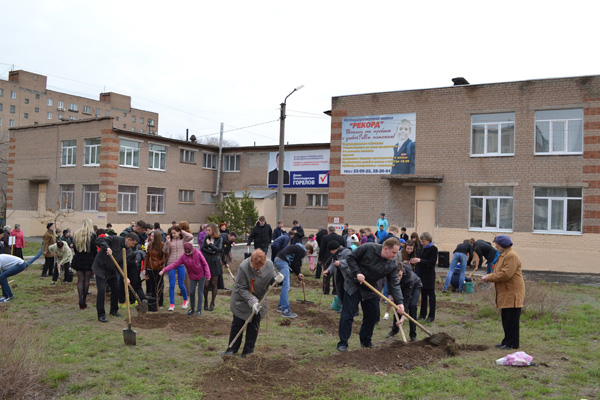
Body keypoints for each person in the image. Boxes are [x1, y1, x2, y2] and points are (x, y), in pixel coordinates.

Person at [337, 238, 405, 352]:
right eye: (393, 252)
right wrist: (358, 272)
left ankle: (366, 341)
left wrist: (400, 302)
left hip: (370, 286)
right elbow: (350, 258)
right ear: (386, 248)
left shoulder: (392, 264)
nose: (395, 255)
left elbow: (394, 284)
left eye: (396, 253)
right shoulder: (368, 248)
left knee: (372, 315)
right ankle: (343, 343)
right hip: (354, 283)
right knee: (348, 314)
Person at [221, 250, 283, 357]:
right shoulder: (244, 267)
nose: (256, 270)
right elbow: (241, 287)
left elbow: (272, 282)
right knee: (238, 324)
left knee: (254, 325)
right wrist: (252, 301)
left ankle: (248, 352)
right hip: (242, 299)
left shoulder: (269, 265)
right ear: (251, 261)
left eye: (259, 268)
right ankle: (232, 349)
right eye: (254, 268)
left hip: (260, 300)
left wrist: (278, 281)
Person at [482, 235, 525, 350]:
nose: (495, 246)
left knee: (512, 320)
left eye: (497, 244)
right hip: (506, 291)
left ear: (502, 245)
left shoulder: (511, 255)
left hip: (512, 292)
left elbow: (506, 274)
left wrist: (489, 277)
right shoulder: (503, 255)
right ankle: (506, 341)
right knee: (506, 318)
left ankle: (512, 343)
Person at [93, 232, 139, 322]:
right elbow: (99, 240)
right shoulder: (115, 239)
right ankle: (101, 314)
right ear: (128, 239)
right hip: (101, 267)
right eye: (133, 243)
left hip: (111, 270)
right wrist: (107, 247)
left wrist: (125, 277)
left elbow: (121, 265)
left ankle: (114, 310)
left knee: (116, 289)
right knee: (102, 290)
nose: (133, 246)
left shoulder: (128, 251)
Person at [161, 242, 210, 317]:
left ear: (192, 249)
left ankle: (199, 310)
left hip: (201, 275)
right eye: (186, 252)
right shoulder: (183, 257)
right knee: (191, 292)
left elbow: (205, 264)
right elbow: (174, 264)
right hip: (192, 276)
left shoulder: (198, 253)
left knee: (200, 292)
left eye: (189, 252)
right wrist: (164, 270)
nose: (188, 254)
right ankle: (192, 309)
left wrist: (208, 274)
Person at [386, 262, 422, 341]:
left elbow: (406, 299)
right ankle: (394, 330)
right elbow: (390, 285)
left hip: (415, 286)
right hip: (400, 287)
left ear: (402, 270)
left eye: (399, 275)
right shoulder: (390, 273)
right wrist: (390, 294)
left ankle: (413, 335)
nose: (398, 278)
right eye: (396, 276)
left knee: (412, 306)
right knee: (398, 306)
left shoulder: (409, 278)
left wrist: (403, 317)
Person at [273, 243, 310, 318]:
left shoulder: (297, 248)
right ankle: (285, 310)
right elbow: (295, 264)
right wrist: (298, 274)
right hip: (282, 262)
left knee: (285, 286)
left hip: (278, 259)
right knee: (286, 286)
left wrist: (299, 278)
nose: (306, 255)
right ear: (308, 251)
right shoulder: (302, 251)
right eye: (308, 254)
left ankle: (280, 306)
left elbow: (295, 265)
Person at [163, 226, 192, 311]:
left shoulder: (183, 239)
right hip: (171, 264)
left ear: (179, 232)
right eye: (172, 233)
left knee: (181, 284)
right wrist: (167, 242)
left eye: (174, 232)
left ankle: (185, 300)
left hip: (181, 264)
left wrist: (182, 231)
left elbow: (191, 236)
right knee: (171, 285)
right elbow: (165, 251)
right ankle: (172, 304)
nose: (173, 234)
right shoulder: (169, 240)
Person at [72, 219, 97, 309]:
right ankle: (84, 299)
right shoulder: (93, 235)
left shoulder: (76, 234)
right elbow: (94, 249)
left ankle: (80, 299)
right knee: (87, 281)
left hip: (79, 258)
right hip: (89, 259)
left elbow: (74, 248)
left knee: (80, 280)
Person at [413, 232, 438, 323]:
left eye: (423, 241)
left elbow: (432, 262)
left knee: (431, 296)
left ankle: (431, 315)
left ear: (428, 240)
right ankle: (422, 314)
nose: (422, 243)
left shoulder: (433, 249)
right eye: (421, 241)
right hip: (422, 274)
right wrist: (417, 262)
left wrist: (421, 260)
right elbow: (422, 261)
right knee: (423, 295)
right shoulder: (423, 248)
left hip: (429, 275)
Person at [201, 222, 223, 311]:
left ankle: (212, 302)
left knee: (214, 283)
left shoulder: (220, 238)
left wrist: (210, 245)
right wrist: (212, 251)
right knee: (206, 284)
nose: (207, 232)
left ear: (213, 230)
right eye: (206, 230)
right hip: (207, 262)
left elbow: (219, 250)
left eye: (209, 230)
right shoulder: (206, 237)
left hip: (215, 262)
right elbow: (202, 248)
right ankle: (205, 301)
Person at [322, 241, 352, 305]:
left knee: (348, 293)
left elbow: (351, 261)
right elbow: (333, 264)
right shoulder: (335, 254)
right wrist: (328, 270)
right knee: (340, 291)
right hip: (338, 276)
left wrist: (340, 263)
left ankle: (351, 310)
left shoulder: (347, 252)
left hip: (347, 276)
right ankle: (343, 307)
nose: (330, 252)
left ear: (335, 249)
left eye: (331, 250)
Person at [318, 226, 345, 294]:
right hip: (337, 258)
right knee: (336, 275)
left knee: (326, 274)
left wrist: (320, 258)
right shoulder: (341, 237)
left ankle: (326, 290)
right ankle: (335, 291)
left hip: (327, 258)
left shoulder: (325, 237)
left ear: (328, 231)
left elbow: (322, 248)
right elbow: (344, 247)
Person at [145, 231, 166, 308]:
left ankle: (160, 302)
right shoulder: (150, 245)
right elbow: (147, 257)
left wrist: (161, 262)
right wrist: (144, 268)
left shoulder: (163, 245)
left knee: (159, 286)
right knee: (152, 286)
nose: (151, 238)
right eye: (151, 236)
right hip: (151, 268)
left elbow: (167, 256)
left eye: (153, 236)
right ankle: (153, 302)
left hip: (159, 269)